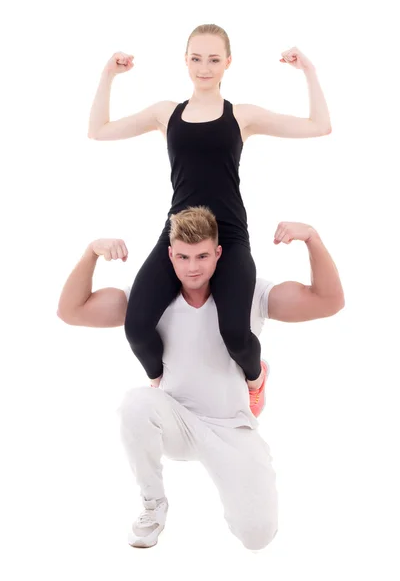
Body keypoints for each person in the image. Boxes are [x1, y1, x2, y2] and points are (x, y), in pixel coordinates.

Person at [57, 207, 344, 550]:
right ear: (170, 256)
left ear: (219, 252)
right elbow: (71, 311)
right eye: (183, 257)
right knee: (135, 404)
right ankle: (154, 504)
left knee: (257, 536)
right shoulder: (147, 300)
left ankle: (256, 387)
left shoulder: (249, 294)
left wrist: (312, 237)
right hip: (176, 420)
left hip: (229, 428)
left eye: (203, 256)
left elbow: (329, 302)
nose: (193, 267)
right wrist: (91, 252)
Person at [87, 24, 332, 398]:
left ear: (227, 63)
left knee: (235, 332)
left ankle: (255, 380)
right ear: (185, 61)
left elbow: (319, 126)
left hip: (228, 235)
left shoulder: (241, 116)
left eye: (214, 59)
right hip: (179, 237)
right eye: (197, 58)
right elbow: (99, 130)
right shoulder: (165, 113)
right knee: (136, 328)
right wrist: (108, 75)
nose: (205, 67)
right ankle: (160, 381)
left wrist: (308, 71)